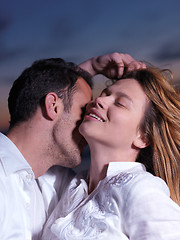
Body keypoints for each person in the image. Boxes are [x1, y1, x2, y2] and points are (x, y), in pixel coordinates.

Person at [0, 53, 144, 239]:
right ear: (53, 106)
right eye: (84, 111)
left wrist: (92, 67)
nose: (86, 125)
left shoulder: (56, 184)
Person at [42, 65, 180, 239]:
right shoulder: (69, 185)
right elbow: (39, 111)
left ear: (143, 137)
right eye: (105, 94)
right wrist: (91, 67)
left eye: (120, 103)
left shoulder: (141, 189)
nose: (99, 101)